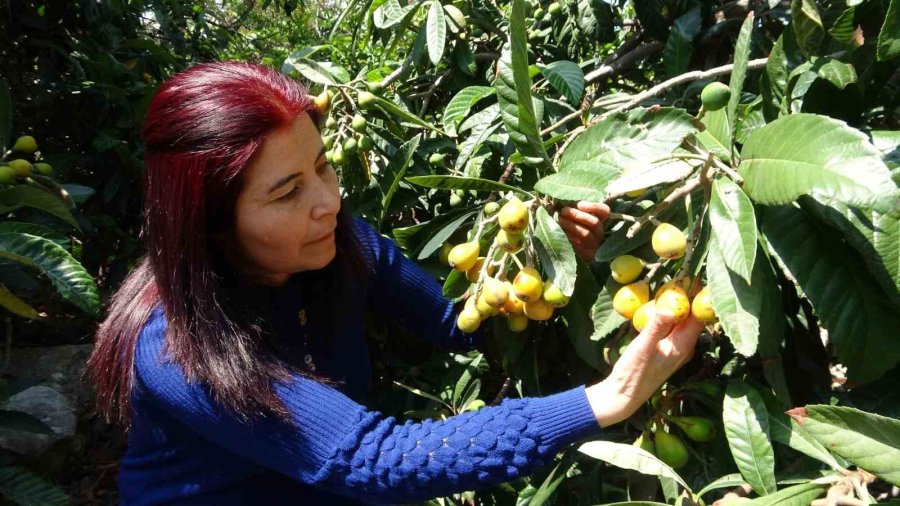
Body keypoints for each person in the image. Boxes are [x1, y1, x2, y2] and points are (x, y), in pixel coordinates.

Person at [86, 61, 703, 506]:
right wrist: (611, 396)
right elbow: (374, 458)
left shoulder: (344, 246)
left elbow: (458, 323)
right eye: (288, 192)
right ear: (211, 225)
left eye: (322, 167)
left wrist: (545, 254)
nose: (328, 201)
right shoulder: (173, 345)